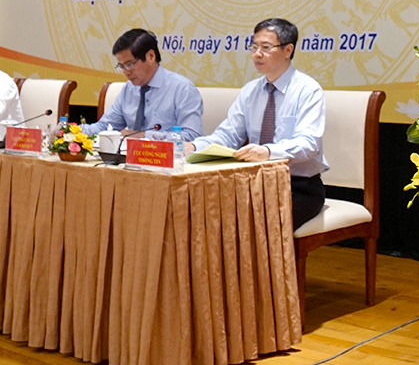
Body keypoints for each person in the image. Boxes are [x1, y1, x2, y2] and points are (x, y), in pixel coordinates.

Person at [188, 18, 326, 229]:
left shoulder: (308, 90)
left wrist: (268, 152)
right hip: (254, 181)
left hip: (298, 185)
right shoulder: (250, 91)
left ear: (288, 50)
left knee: (260, 223)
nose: (257, 54)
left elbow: (308, 144)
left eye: (266, 47)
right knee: (208, 212)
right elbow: (227, 136)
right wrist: (192, 147)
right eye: (254, 47)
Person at [85, 28, 203, 142]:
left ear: (151, 56)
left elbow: (192, 135)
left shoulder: (182, 89)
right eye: (121, 66)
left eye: (129, 64)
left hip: (168, 155)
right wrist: (75, 131)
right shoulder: (128, 89)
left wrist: (143, 136)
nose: (126, 72)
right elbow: (104, 127)